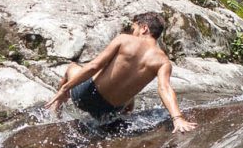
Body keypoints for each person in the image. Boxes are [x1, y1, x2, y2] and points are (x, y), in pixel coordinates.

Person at [45, 13, 197, 133]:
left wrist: (65, 88)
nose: (133, 32)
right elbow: (164, 88)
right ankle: (118, 121)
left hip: (85, 97)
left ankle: (55, 112)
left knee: (72, 67)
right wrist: (177, 118)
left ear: (144, 28)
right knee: (131, 99)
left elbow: (94, 66)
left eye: (135, 28)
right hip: (110, 111)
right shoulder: (163, 61)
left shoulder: (125, 39)